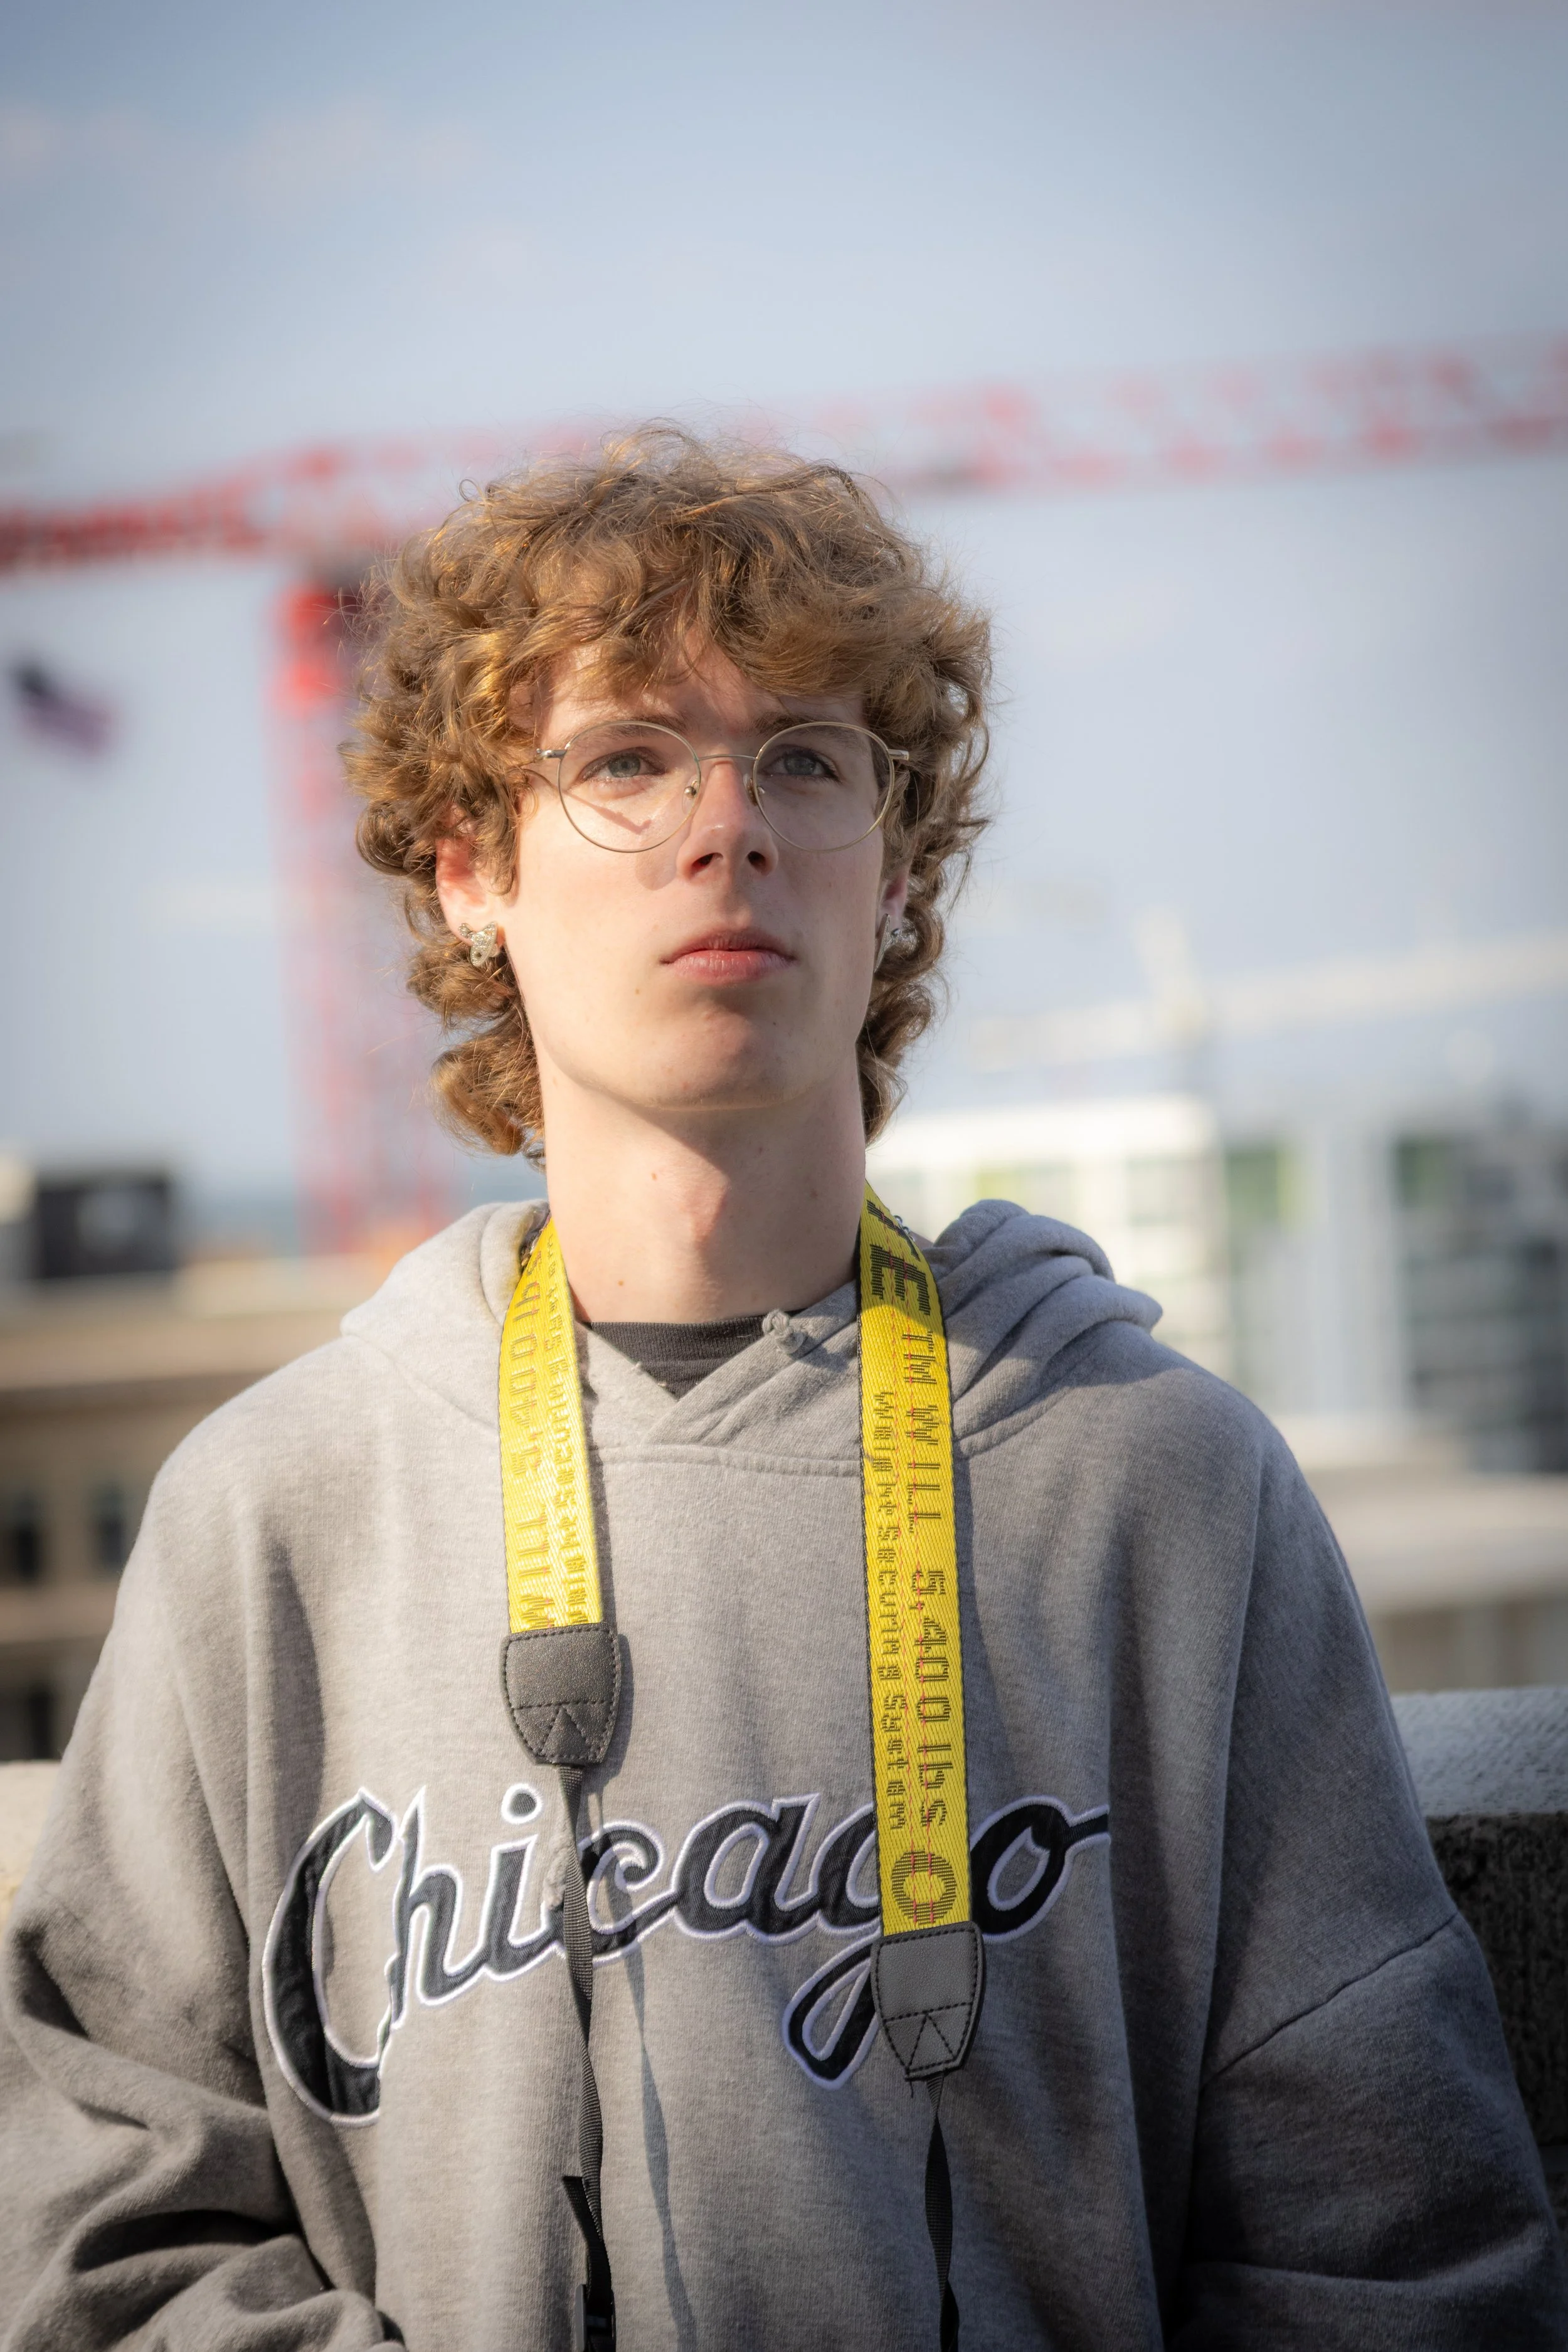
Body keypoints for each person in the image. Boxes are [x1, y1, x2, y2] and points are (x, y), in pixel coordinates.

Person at [1, 431, 1562, 2352]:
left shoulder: (1158, 1487)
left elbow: (1399, 2249)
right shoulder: (274, 1517)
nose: (725, 823)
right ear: (468, 866)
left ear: (895, 872)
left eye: (804, 758)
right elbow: (108, 2224)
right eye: (628, 757)